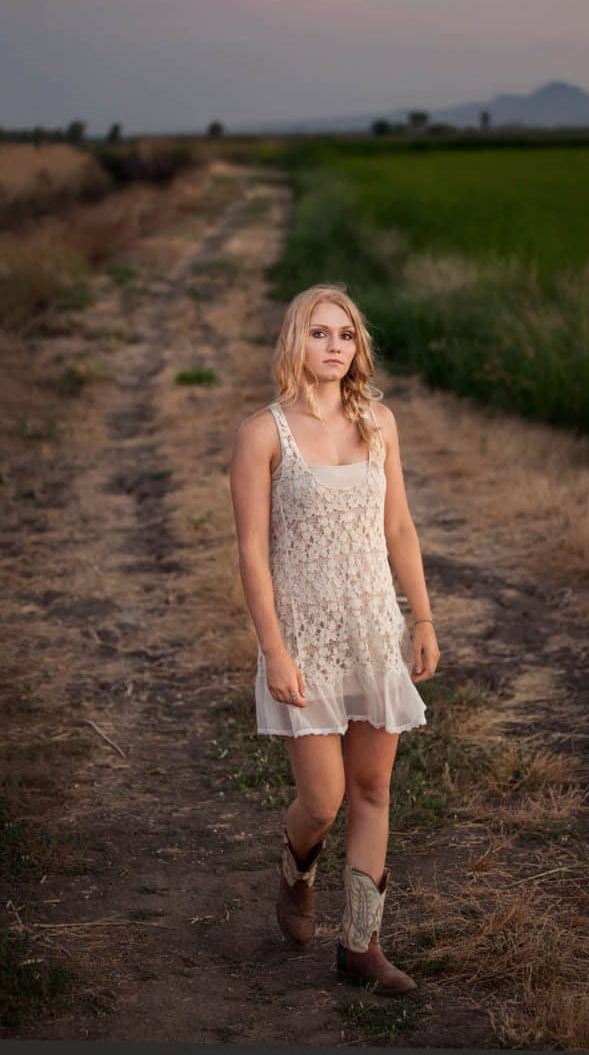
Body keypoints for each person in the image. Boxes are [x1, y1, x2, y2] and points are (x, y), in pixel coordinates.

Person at [229, 282, 440, 996]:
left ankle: (360, 946)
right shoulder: (263, 433)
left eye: (345, 335)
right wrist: (275, 648)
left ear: (358, 347)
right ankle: (296, 866)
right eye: (320, 333)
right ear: (296, 341)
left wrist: (424, 618)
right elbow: (252, 552)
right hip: (306, 639)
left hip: (373, 628)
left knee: (373, 786)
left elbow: (400, 528)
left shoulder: (379, 422)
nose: (334, 347)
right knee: (322, 798)